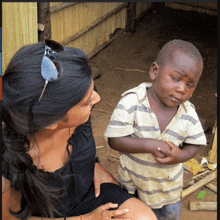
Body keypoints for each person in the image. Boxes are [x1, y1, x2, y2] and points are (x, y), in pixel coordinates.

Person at [2, 39, 158, 220]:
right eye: (87, 101)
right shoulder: (9, 162)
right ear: (52, 121)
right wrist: (87, 219)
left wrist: (94, 164)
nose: (97, 98)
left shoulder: (76, 105)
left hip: (89, 194)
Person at [104, 39, 207, 220]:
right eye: (176, 79)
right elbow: (114, 140)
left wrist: (180, 156)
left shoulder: (188, 113)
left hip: (168, 194)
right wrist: (150, 144)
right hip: (132, 188)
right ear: (155, 71)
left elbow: (194, 143)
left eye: (190, 85)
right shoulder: (132, 102)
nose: (182, 89)